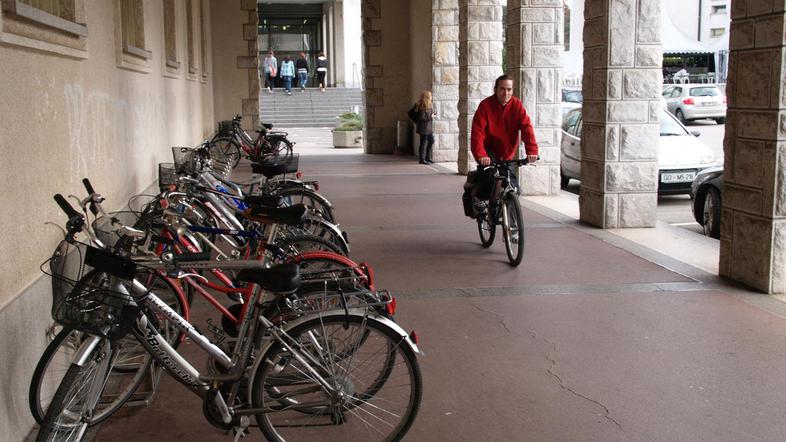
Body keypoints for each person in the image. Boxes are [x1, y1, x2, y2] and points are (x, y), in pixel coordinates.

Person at [470, 74, 538, 199]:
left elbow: (527, 128)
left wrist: (532, 151)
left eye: (509, 89)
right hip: (488, 152)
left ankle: (511, 216)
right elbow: (477, 133)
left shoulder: (517, 106)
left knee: (514, 188)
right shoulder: (485, 106)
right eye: (502, 89)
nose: (505, 93)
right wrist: (481, 155)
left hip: (507, 153)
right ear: (495, 89)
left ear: (512, 90)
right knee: (489, 180)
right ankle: (479, 200)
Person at [411, 91, 436, 164]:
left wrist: (433, 114)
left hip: (428, 128)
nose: (432, 97)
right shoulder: (422, 106)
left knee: (431, 141)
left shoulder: (429, 105)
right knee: (423, 143)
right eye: (430, 96)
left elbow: (428, 115)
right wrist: (431, 117)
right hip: (423, 128)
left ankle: (427, 157)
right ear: (427, 97)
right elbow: (422, 118)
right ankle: (422, 159)